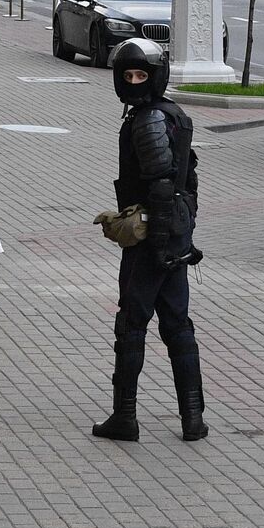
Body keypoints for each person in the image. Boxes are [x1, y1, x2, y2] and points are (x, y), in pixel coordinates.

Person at [92, 39, 207, 443]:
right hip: (172, 236)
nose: (135, 82)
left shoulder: (150, 120)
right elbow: (188, 183)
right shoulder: (173, 115)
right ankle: (192, 418)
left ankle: (125, 416)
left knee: (133, 325)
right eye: (129, 75)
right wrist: (180, 234)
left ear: (156, 77)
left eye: (142, 74)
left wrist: (157, 244)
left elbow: (162, 184)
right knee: (178, 326)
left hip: (152, 241)